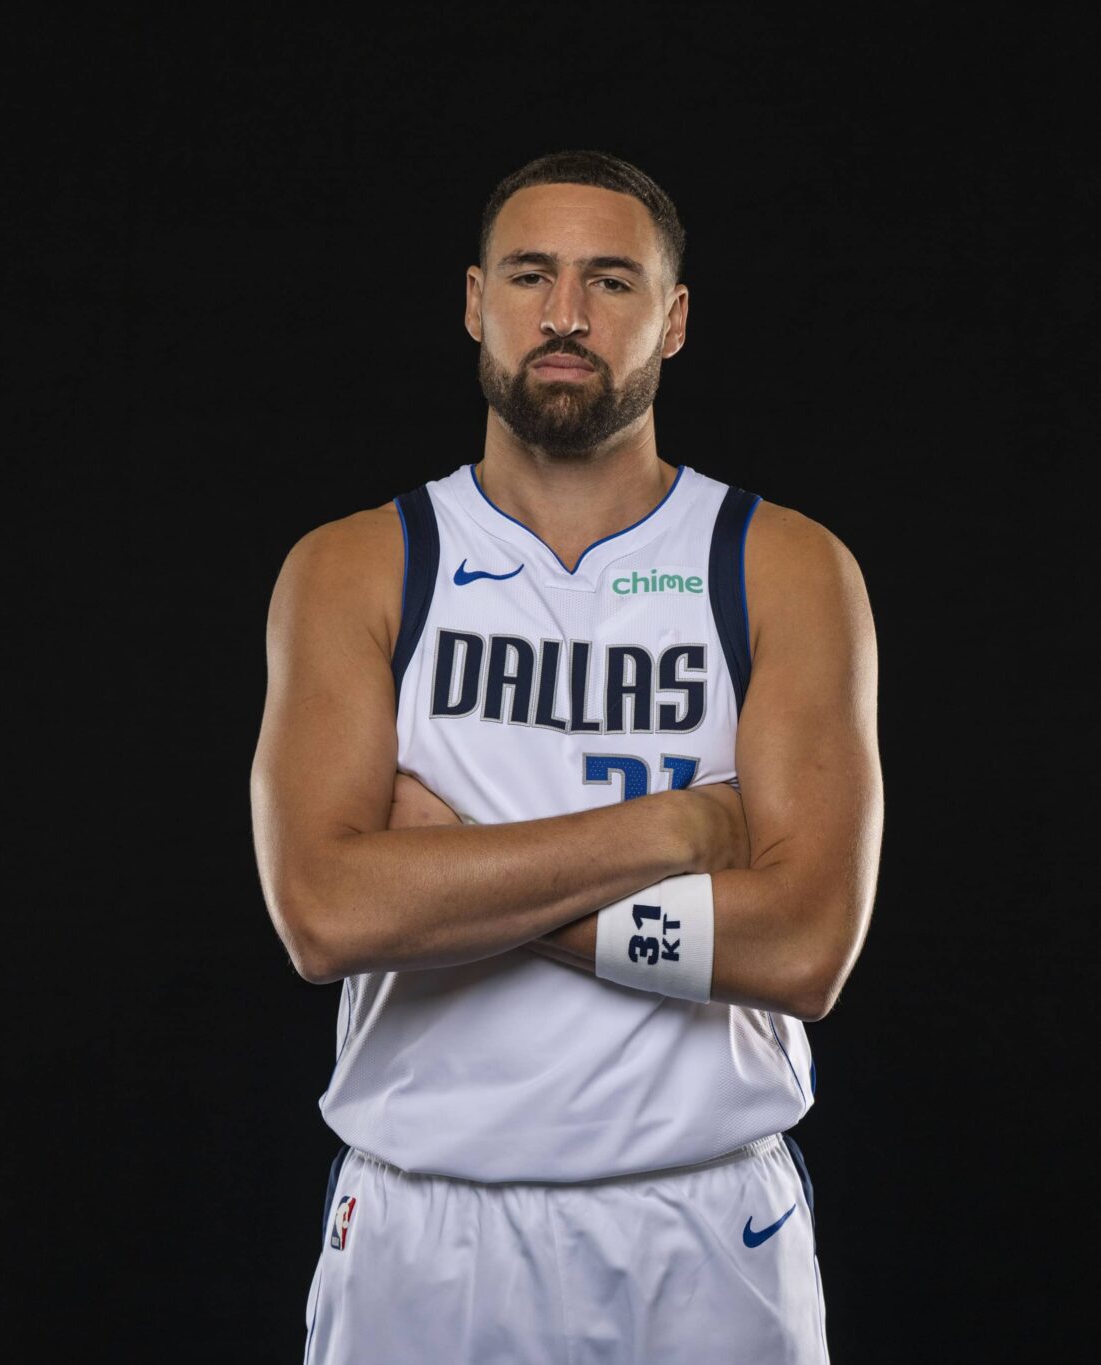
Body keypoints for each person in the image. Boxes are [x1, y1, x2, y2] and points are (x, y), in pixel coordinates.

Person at [251, 149, 881, 1363]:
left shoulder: (782, 566)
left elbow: (803, 949)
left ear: (674, 319)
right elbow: (326, 916)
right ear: (475, 301)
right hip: (421, 1232)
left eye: (611, 281)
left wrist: (442, 880)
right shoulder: (356, 567)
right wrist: (674, 831)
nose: (566, 315)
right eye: (532, 275)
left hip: (705, 1226)